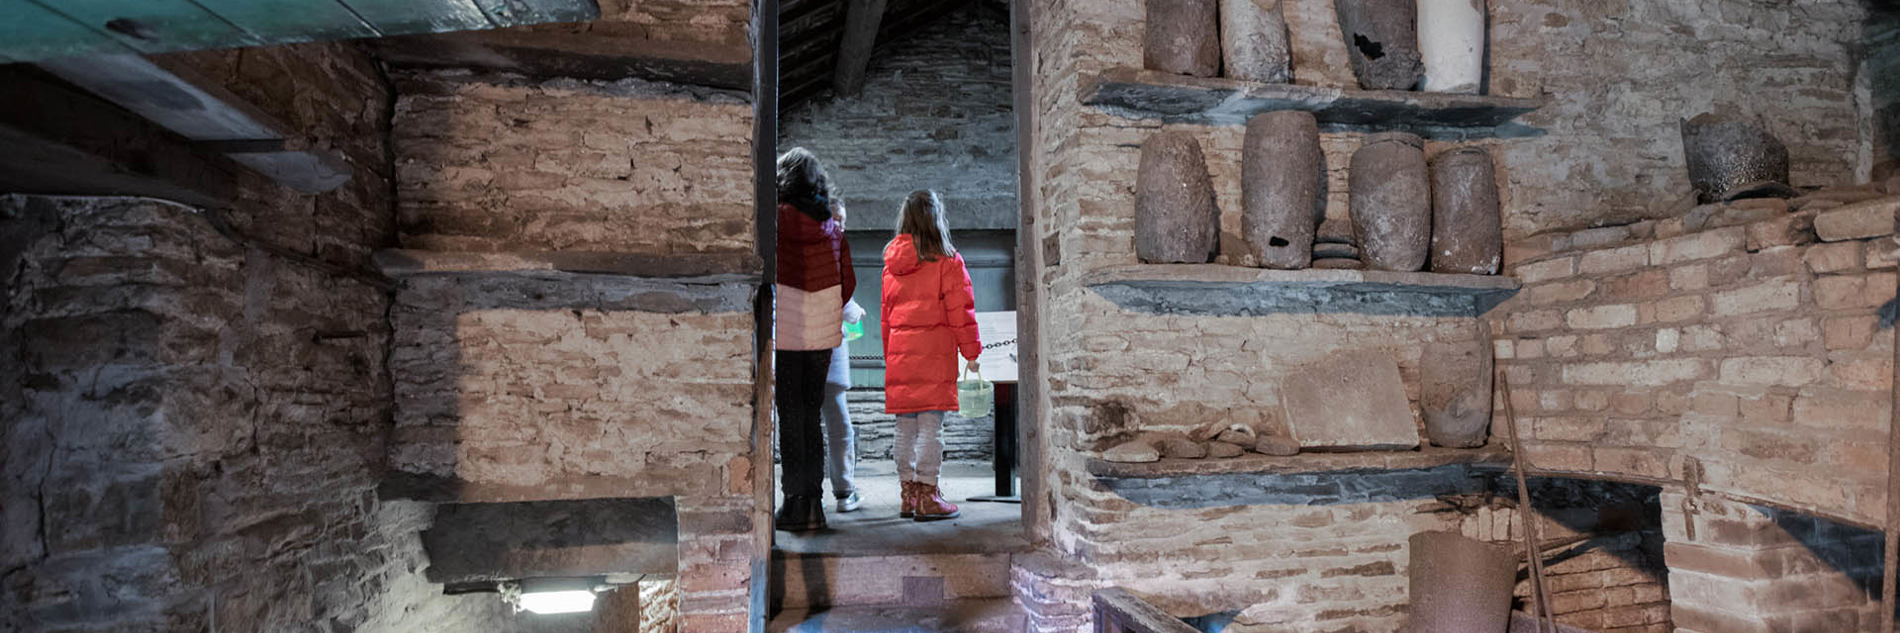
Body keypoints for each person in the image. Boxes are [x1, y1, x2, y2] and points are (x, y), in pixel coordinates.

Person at [880, 189, 979, 521]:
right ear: (937, 218)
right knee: (930, 428)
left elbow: (885, 320)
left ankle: (907, 495)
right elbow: (961, 312)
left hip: (900, 357)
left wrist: (891, 357)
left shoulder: (890, 266)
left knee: (904, 429)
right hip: (935, 357)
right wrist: (972, 353)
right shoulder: (948, 262)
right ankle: (927, 495)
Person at [775, 147, 855, 532]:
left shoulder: (774, 222)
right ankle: (816, 506)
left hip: (788, 329)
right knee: (811, 414)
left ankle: (795, 503)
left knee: (790, 417)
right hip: (823, 333)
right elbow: (848, 284)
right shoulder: (834, 231)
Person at [823, 199, 864, 513]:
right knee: (839, 426)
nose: (842, 226)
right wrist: (856, 311)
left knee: (820, 423)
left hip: (807, 347)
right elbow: (843, 300)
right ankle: (844, 489)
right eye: (837, 219)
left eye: (844, 221)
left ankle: (815, 492)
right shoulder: (831, 250)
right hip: (829, 349)